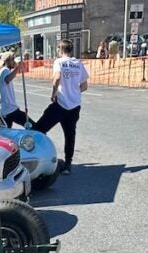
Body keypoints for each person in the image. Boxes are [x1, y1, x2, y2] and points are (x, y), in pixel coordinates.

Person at [32, 39, 89, 175]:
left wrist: (54, 93)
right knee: (70, 135)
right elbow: (85, 85)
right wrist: (74, 92)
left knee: (39, 129)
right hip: (74, 105)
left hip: (61, 103)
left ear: (61, 50)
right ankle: (68, 164)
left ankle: (37, 159)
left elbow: (57, 77)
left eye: (58, 50)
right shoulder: (78, 63)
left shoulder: (59, 62)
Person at [0, 52, 29, 128]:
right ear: (6, 61)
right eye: (12, 59)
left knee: (6, 132)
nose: (14, 62)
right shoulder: (5, 70)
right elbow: (8, 79)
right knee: (31, 125)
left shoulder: (2, 72)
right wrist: (18, 67)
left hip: (4, 109)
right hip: (9, 109)